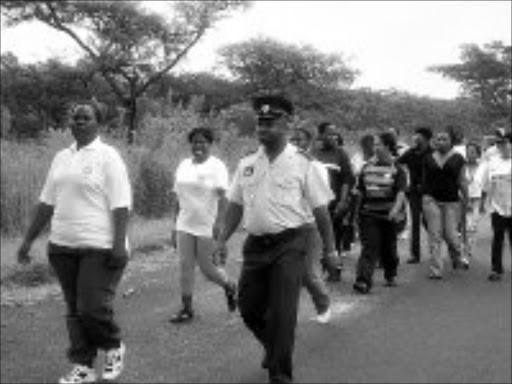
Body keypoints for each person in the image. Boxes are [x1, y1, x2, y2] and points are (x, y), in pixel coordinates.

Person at [214, 95, 339, 384]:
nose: (263, 126)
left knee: (283, 314)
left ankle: (280, 375)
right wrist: (220, 241)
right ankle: (274, 348)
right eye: (260, 121)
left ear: (287, 124)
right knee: (248, 308)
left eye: (270, 122)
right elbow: (234, 206)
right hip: (256, 245)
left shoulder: (304, 163)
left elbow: (321, 212)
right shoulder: (247, 162)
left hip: (290, 244)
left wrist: (331, 251)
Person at [16, 100, 132, 384]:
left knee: (92, 308)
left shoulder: (108, 156)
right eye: (75, 117)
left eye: (85, 117)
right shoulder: (61, 157)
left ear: (98, 123)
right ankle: (83, 366)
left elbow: (121, 205)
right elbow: (46, 202)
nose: (78, 121)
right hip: (62, 246)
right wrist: (28, 240)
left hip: (100, 246)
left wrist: (119, 245)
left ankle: (114, 345)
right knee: (73, 310)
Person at [169, 126, 237, 323]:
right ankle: (187, 308)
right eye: (195, 142)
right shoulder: (183, 165)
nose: (198, 146)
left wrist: (219, 222)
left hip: (207, 224)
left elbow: (224, 198)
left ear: (210, 144)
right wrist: (174, 225)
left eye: (203, 142)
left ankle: (229, 285)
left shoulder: (217, 166)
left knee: (208, 269)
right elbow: (177, 196)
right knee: (185, 266)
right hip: (185, 223)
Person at [352, 132, 408, 294]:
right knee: (370, 247)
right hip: (369, 215)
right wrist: (356, 214)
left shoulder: (397, 169)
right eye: (374, 144)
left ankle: (390, 274)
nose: (374, 147)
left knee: (389, 249)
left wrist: (395, 210)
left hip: (389, 215)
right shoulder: (366, 167)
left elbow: (400, 193)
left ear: (388, 147)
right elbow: (361, 192)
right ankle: (363, 280)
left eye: (378, 144)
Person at [289, 127, 333, 323]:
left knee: (309, 274)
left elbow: (321, 203)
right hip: (285, 226)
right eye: (293, 140)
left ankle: (323, 305)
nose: (296, 144)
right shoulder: (282, 165)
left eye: (300, 140)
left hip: (307, 225)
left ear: (310, 143)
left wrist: (330, 249)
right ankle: (284, 312)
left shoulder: (315, 167)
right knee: (284, 274)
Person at [422, 127, 470, 280]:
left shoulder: (458, 159)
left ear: (451, 141)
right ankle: (436, 269)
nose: (441, 142)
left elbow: (462, 180)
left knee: (451, 236)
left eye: (444, 139)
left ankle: (457, 256)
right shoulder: (428, 158)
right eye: (438, 139)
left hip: (451, 202)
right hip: (431, 200)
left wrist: (467, 199)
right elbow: (424, 181)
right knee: (435, 235)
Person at [312, 121, 355, 281]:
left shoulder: (340, 154)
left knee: (333, 235)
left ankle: (333, 269)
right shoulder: (312, 153)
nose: (334, 136)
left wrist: (343, 201)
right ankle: (313, 271)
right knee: (313, 237)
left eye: (335, 134)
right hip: (314, 203)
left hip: (335, 202)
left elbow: (346, 179)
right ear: (320, 134)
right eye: (329, 133)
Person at [477, 129, 512, 282]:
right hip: (497, 206)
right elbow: (483, 182)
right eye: (499, 144)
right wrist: (483, 201)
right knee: (498, 237)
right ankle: (496, 269)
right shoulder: (492, 162)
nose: (502, 146)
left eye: (505, 143)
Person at [397, 126, 433, 264]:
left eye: (418, 136)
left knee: (428, 222)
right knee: (415, 223)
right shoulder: (411, 153)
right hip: (413, 192)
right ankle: (415, 254)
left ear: (426, 139)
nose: (415, 138)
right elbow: (397, 162)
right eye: (415, 135)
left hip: (429, 193)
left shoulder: (432, 153)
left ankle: (435, 247)